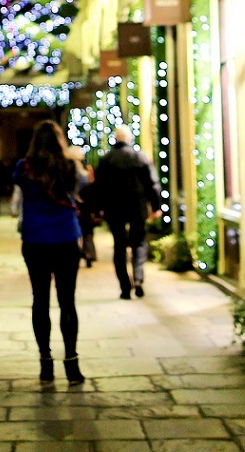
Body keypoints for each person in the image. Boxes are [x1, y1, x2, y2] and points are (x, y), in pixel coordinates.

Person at [15, 120, 86, 385]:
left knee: (40, 300)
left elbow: (20, 188)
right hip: (66, 237)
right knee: (68, 301)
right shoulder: (69, 167)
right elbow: (82, 184)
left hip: (35, 240)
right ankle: (72, 363)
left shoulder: (24, 168)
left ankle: (46, 363)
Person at [92, 126, 163, 300]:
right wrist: (155, 206)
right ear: (129, 139)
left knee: (119, 246)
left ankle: (125, 286)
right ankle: (138, 278)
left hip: (114, 208)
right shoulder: (140, 157)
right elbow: (152, 184)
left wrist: (98, 208)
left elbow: (99, 187)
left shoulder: (107, 159)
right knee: (139, 242)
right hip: (137, 207)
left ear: (115, 139)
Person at [66, 145, 99, 267]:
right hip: (85, 204)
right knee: (87, 231)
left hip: (72, 204)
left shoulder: (66, 169)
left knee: (76, 231)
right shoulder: (86, 170)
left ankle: (78, 253)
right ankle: (89, 253)